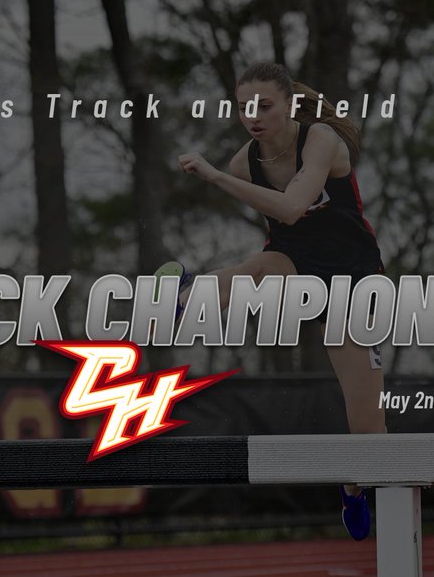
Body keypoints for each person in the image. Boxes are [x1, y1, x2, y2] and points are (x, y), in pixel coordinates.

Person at [167, 61, 386, 541]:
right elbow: (282, 226)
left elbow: (290, 207)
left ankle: (353, 488)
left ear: (289, 104)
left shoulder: (320, 140)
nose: (253, 117)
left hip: (352, 281)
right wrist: (225, 175)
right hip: (293, 262)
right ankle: (185, 296)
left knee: (369, 426)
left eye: (264, 106)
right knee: (260, 267)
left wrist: (214, 177)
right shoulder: (244, 162)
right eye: (244, 107)